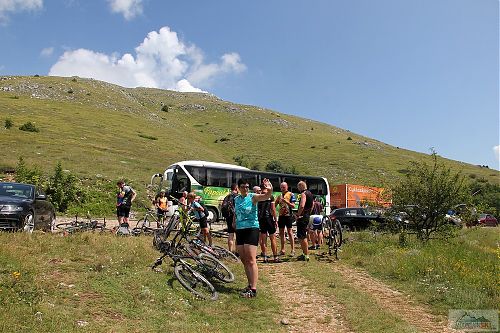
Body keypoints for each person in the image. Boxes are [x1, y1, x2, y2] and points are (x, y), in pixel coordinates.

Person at [233, 178, 273, 298]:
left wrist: (270, 189)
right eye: (243, 187)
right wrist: (234, 222)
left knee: (251, 259)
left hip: (252, 229)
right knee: (244, 259)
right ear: (238, 188)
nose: (245, 189)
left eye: (247, 187)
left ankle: (254, 289)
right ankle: (250, 284)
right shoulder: (236, 199)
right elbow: (236, 213)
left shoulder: (253, 197)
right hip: (240, 230)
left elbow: (266, 196)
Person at [258, 184, 278, 263]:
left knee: (263, 239)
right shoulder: (271, 196)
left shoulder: (259, 196)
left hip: (261, 219)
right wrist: (276, 220)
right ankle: (275, 256)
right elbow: (273, 209)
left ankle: (265, 257)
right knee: (272, 238)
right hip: (269, 218)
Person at [275, 182, 296, 256]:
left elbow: (293, 206)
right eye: (281, 187)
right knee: (281, 232)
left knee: (290, 232)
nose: (282, 188)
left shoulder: (291, 194)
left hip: (288, 215)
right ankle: (282, 249)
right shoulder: (279, 195)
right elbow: (274, 204)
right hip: (281, 216)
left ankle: (293, 250)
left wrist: (286, 202)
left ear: (287, 187)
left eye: (284, 187)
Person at [295, 181, 314, 261]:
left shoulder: (303, 194)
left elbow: (302, 205)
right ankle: (304, 253)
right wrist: (308, 213)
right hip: (307, 216)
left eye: (298, 187)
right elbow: (312, 205)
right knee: (302, 235)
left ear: (300, 186)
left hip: (302, 217)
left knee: (302, 236)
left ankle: (306, 255)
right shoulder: (310, 193)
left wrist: (298, 215)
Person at [221, 184, 238, 253]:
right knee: (237, 235)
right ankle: (237, 251)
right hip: (235, 217)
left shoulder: (227, 196)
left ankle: (230, 251)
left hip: (228, 217)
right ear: (236, 188)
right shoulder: (237, 197)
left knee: (230, 234)